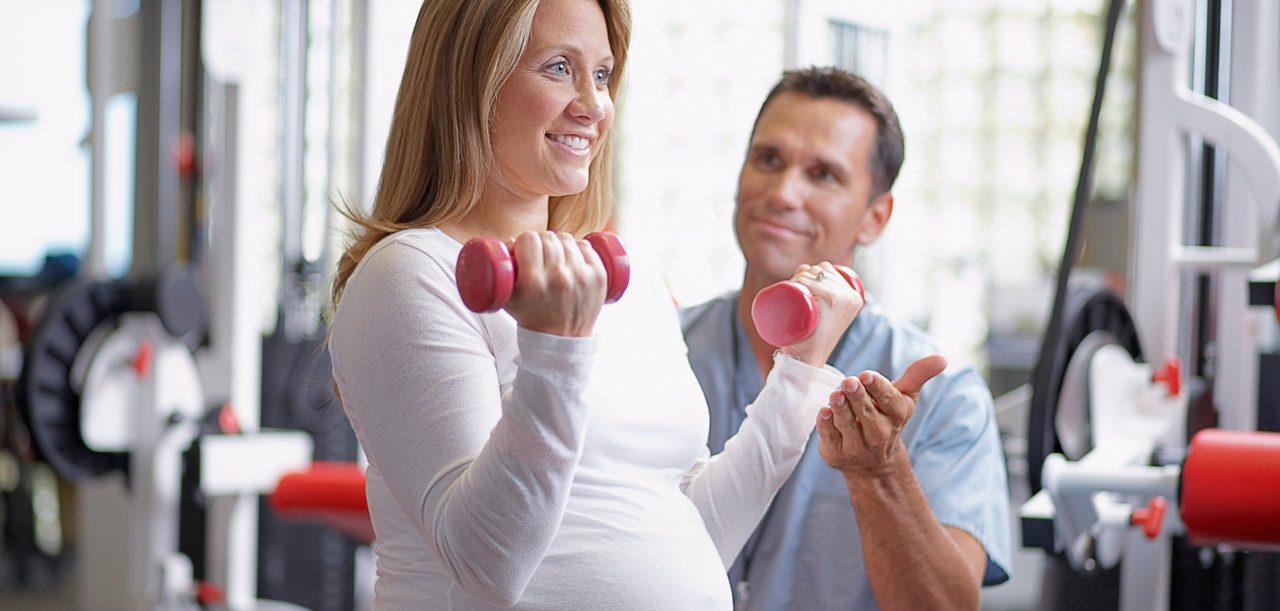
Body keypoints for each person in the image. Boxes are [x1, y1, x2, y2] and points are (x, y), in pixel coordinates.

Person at [326, 1, 866, 608]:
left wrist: (799, 375)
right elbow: (486, 564)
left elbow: (692, 534)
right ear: (472, 77)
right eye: (559, 67)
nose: (594, 105)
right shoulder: (410, 274)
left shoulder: (623, 279)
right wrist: (557, 349)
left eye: (603, 75)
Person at [680, 67, 1013, 611]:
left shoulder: (946, 398)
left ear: (874, 218)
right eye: (768, 160)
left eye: (824, 175)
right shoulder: (666, 351)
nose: (783, 193)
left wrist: (879, 472)